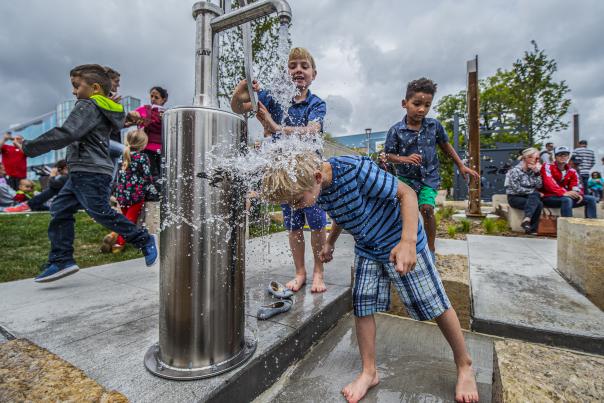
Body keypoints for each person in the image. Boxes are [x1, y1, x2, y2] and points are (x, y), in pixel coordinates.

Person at [261, 152, 479, 403]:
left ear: (318, 177)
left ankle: (464, 364)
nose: (296, 207)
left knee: (433, 303)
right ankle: (369, 372)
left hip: (400, 238)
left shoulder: (354, 170)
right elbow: (342, 213)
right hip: (367, 246)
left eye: (298, 201)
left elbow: (407, 193)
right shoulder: (316, 188)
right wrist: (330, 242)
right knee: (362, 307)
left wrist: (408, 243)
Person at [20, 64, 157, 283]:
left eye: (76, 86)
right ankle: (61, 259)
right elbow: (119, 119)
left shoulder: (87, 106)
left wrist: (29, 147)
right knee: (60, 208)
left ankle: (143, 238)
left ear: (94, 88)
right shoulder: (103, 107)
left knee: (100, 211)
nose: (74, 92)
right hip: (83, 170)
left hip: (89, 170)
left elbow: (66, 133)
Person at [230, 47, 328, 293]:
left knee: (316, 224)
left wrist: (274, 127)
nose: (298, 69)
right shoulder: (275, 99)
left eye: (304, 66)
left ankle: (318, 271)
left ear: (313, 74)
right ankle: (300, 272)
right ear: (287, 72)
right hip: (282, 173)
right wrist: (241, 89)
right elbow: (238, 107)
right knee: (293, 225)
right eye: (293, 65)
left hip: (308, 175)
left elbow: (312, 130)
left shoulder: (316, 103)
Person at [385, 78, 479, 259]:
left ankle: (430, 249)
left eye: (427, 105)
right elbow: (388, 155)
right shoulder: (396, 130)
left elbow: (445, 145)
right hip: (406, 179)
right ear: (405, 104)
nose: (422, 109)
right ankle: (404, 244)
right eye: (417, 104)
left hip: (429, 177)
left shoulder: (434, 126)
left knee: (427, 209)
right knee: (403, 212)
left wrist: (461, 165)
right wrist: (404, 159)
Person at [103, 129, 157, 253]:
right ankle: (119, 244)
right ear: (143, 144)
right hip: (135, 194)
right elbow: (147, 177)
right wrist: (154, 193)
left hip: (122, 193)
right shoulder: (142, 157)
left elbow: (118, 175)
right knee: (130, 220)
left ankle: (113, 235)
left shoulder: (124, 154)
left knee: (124, 217)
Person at [541, 146, 597, 218]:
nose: (563, 156)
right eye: (559, 154)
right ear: (555, 157)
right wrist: (563, 192)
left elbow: (577, 185)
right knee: (567, 200)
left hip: (566, 197)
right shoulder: (547, 166)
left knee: (591, 199)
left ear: (568, 157)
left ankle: (591, 225)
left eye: (565, 154)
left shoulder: (572, 171)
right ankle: (567, 226)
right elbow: (549, 183)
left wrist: (577, 193)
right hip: (549, 197)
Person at [126, 86, 168, 179]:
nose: (153, 99)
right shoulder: (145, 109)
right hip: (147, 149)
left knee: (158, 177)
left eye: (156, 97)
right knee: (152, 176)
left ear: (163, 100)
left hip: (162, 151)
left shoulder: (167, 113)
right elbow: (130, 116)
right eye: (151, 96)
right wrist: (134, 117)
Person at [3, 160, 69, 212]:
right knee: (38, 206)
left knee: (53, 188)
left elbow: (53, 185)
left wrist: (52, 175)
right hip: (67, 203)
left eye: (59, 171)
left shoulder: (67, 177)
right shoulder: (69, 177)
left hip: (67, 204)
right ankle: (29, 205)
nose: (59, 174)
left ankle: (28, 205)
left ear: (65, 168)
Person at [504, 148, 543, 234]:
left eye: (538, 159)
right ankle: (531, 228)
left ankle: (527, 221)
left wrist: (536, 172)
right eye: (536, 158)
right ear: (526, 158)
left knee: (538, 202)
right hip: (515, 197)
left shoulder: (534, 171)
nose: (537, 161)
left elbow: (539, 185)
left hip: (529, 197)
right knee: (536, 199)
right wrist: (532, 191)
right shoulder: (515, 171)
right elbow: (516, 189)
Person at [104, 66, 126, 184]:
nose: (118, 85)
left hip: (113, 140)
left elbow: (117, 124)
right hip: (104, 141)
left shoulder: (112, 99)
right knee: (127, 151)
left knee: (110, 180)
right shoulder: (99, 99)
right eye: (116, 81)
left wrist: (128, 122)